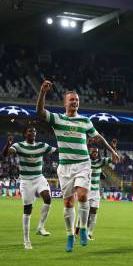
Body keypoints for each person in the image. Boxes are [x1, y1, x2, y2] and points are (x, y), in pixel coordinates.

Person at [36, 80, 121, 252]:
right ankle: (69, 235)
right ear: (65, 103)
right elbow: (40, 111)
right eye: (71, 100)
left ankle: (82, 229)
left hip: (83, 164)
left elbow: (97, 138)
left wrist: (112, 150)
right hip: (65, 167)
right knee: (68, 203)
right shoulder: (58, 119)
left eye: (76, 100)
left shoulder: (85, 121)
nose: (74, 102)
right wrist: (43, 92)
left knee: (82, 196)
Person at [3, 126, 56, 250]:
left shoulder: (41, 145)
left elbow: (57, 151)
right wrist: (8, 144)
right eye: (30, 131)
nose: (33, 133)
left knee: (48, 198)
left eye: (35, 131)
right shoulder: (18, 146)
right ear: (25, 134)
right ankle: (26, 240)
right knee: (28, 209)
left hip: (39, 178)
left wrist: (71, 147)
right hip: (26, 181)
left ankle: (40, 227)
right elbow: (6, 154)